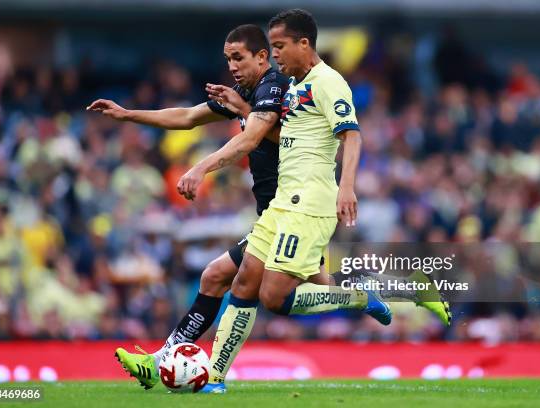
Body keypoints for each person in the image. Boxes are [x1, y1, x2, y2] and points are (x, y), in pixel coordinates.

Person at [199, 10, 449, 394]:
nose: (275, 54)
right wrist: (246, 109)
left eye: (280, 46)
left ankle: (364, 295)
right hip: (283, 201)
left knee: (275, 296)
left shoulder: (329, 82)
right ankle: (214, 378)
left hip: (309, 202)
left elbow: (352, 136)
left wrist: (346, 187)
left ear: (304, 44)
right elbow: (282, 135)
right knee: (246, 281)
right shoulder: (295, 85)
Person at [86, 24, 323, 389]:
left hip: (295, 211)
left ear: (262, 57)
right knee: (224, 278)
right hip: (275, 213)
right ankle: (167, 361)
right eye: (227, 58)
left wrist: (199, 168)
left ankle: (194, 369)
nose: (231, 65)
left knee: (274, 288)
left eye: (238, 57)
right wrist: (127, 114)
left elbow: (251, 139)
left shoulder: (274, 87)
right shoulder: (247, 92)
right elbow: (186, 117)